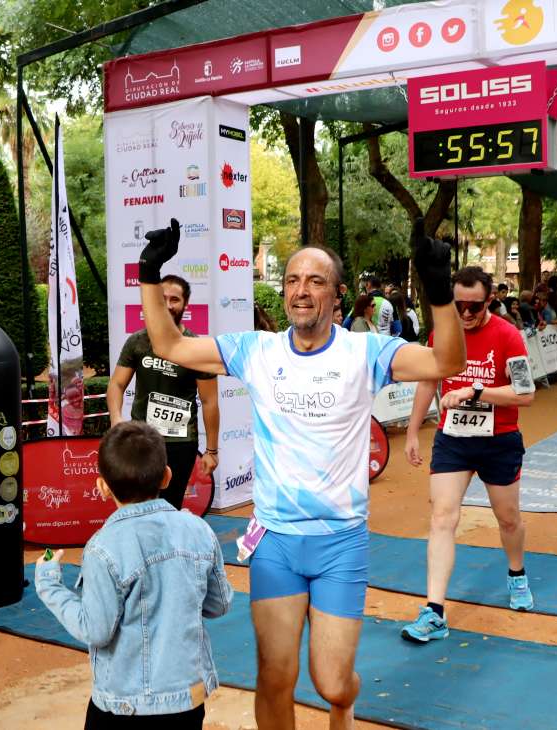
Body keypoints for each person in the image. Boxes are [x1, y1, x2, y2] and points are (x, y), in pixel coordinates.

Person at [134, 218, 465, 730]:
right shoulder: (257, 350)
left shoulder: (366, 351)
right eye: (292, 280)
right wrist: (149, 274)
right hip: (275, 544)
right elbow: (171, 347)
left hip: (339, 543)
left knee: (331, 681)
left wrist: (439, 292)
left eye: (315, 281)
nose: (300, 290)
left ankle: (344, 701)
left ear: (337, 296)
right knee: (275, 678)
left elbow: (446, 360)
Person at [35, 422, 233, 729]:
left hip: (122, 705)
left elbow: (95, 629)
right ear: (167, 476)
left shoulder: (102, 547)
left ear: (101, 486)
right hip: (187, 700)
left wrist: (49, 584)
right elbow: (218, 605)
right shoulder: (198, 530)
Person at [402, 266, 535, 643]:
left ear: (489, 300)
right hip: (453, 438)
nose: (464, 314)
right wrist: (413, 430)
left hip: (499, 440)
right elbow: (429, 380)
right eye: (458, 305)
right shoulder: (443, 333)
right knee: (442, 516)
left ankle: (516, 573)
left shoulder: (508, 336)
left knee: (508, 520)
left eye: (473, 307)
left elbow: (526, 394)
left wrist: (476, 392)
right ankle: (434, 611)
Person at [107, 274, 219, 510]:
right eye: (162, 298)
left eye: (175, 299)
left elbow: (209, 401)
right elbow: (117, 384)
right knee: (137, 505)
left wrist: (211, 451)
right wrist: (117, 419)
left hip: (179, 442)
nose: (168, 305)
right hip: (141, 441)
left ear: (185, 304)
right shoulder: (137, 341)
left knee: (169, 507)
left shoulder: (195, 347)